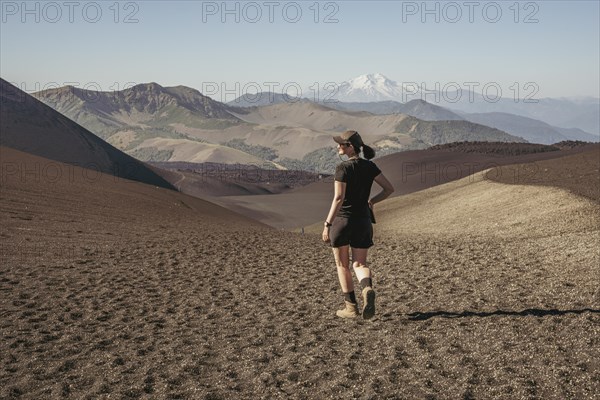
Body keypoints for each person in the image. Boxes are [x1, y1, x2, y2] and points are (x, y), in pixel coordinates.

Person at [322, 130, 394, 319]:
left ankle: (351, 308)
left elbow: (339, 198)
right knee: (360, 263)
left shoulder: (342, 168)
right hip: (363, 221)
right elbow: (389, 189)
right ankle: (367, 288)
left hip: (343, 221)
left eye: (341, 144)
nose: (338, 147)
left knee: (342, 265)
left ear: (350, 147)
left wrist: (327, 224)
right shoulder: (370, 166)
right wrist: (372, 202)